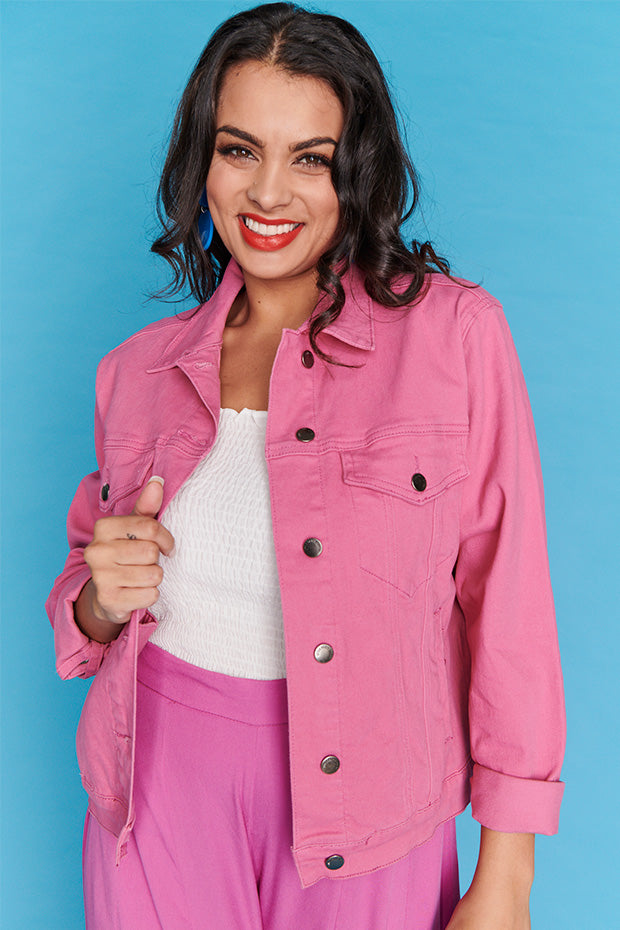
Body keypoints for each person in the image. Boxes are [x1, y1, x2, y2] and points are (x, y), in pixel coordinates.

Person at [46, 3, 566, 928]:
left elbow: (509, 602)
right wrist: (98, 598)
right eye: (239, 150)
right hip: (157, 800)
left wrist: (508, 875)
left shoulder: (455, 338)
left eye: (310, 159)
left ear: (357, 170)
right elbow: (90, 597)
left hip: (373, 820)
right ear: (202, 161)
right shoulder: (135, 372)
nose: (268, 193)